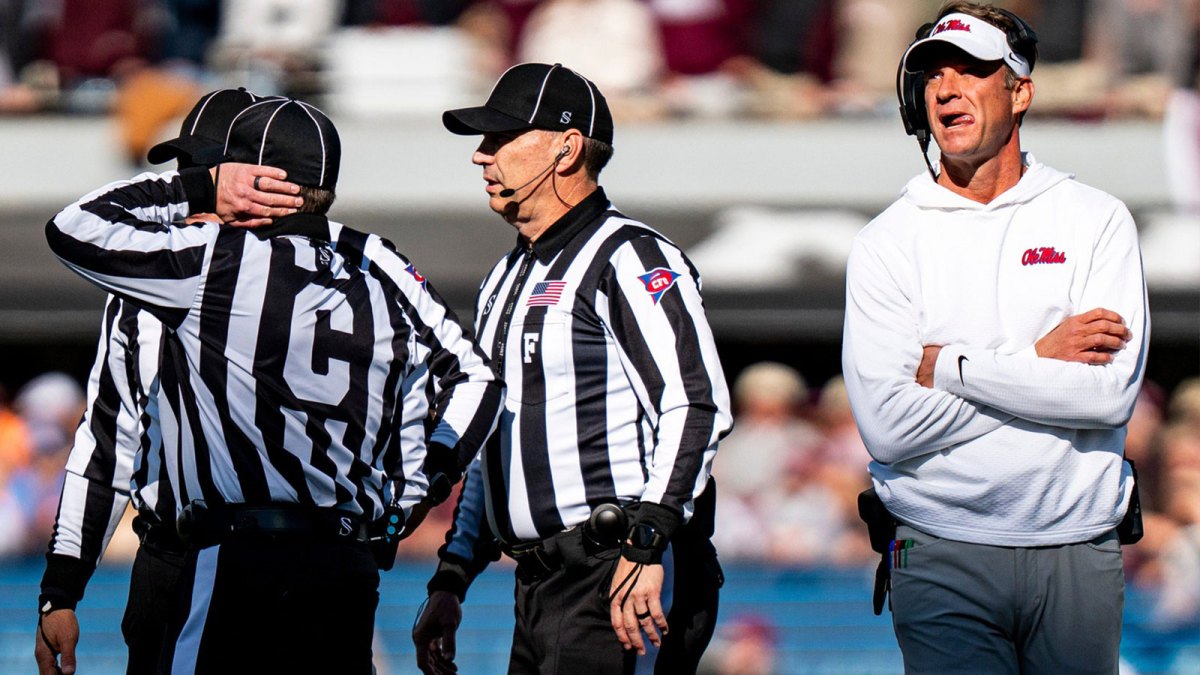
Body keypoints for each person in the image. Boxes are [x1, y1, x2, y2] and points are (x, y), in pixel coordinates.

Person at [42, 96, 503, 674]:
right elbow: (460, 384)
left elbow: (72, 228)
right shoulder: (375, 275)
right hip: (339, 560)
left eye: (213, 172)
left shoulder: (213, 263)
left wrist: (201, 190)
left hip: (229, 554)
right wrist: (415, 493)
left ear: (252, 182)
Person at [841, 3, 1149, 673]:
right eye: (932, 75)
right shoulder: (886, 241)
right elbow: (889, 429)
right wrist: (1039, 360)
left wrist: (949, 366)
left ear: (1021, 90)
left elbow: (1104, 398)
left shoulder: (1096, 219)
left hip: (1079, 549)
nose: (947, 88)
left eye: (972, 70)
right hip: (935, 548)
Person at [411, 62, 732, 674]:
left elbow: (694, 403)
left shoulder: (629, 255)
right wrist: (451, 578)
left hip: (615, 570)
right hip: (540, 583)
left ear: (566, 148)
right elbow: (494, 436)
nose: (482, 156)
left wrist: (648, 541)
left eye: (501, 139)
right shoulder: (504, 276)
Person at [34, 86, 277, 675]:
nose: (187, 188)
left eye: (201, 172)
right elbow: (109, 441)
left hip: (286, 557)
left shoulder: (332, 274)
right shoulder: (148, 291)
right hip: (185, 551)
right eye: (186, 175)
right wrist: (61, 588)